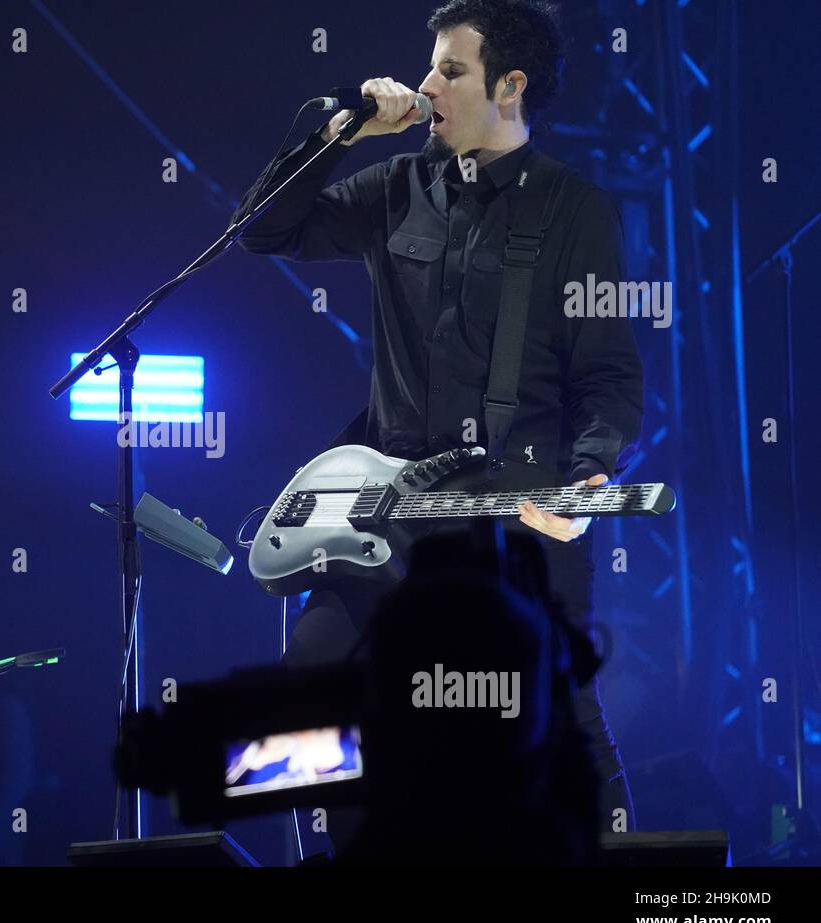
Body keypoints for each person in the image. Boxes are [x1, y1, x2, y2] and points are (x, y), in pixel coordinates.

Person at [230, 0, 643, 840]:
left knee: (561, 711)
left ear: (510, 86)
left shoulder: (574, 211)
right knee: (311, 690)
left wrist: (590, 473)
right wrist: (339, 136)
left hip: (514, 505)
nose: (426, 86)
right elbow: (263, 230)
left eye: (451, 70)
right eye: (430, 67)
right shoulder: (395, 188)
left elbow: (606, 372)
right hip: (388, 500)